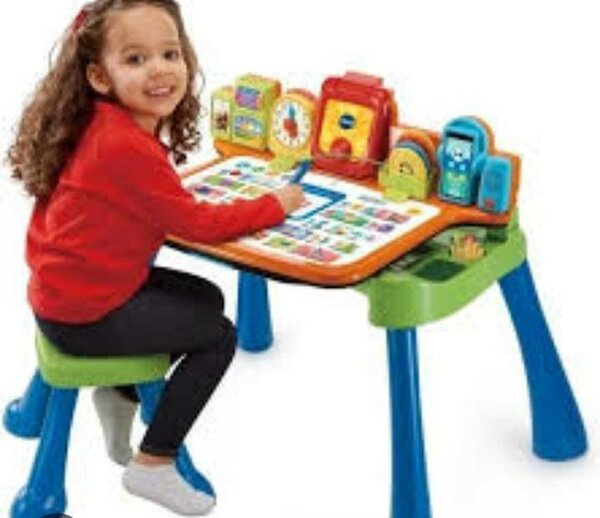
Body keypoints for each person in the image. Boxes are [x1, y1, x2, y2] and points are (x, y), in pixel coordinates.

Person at [6, 0, 305, 515]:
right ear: (99, 76)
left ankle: (119, 393)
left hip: (65, 295)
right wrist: (273, 205)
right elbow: (197, 225)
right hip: (85, 314)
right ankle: (154, 462)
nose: (160, 69)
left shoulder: (93, 123)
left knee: (206, 298)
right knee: (218, 336)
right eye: (136, 59)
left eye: (170, 53)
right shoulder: (125, 146)